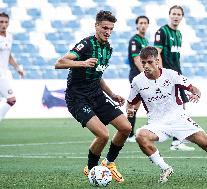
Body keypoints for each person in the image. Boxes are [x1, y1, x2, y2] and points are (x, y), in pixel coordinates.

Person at [126, 46, 207, 183]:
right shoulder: (137, 81)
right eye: (143, 62)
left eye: (150, 62)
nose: (146, 66)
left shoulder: (171, 75)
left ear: (157, 61)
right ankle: (165, 168)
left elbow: (193, 88)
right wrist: (130, 110)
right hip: (157, 124)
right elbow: (131, 102)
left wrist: (196, 94)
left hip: (179, 119)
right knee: (141, 135)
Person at [54, 10, 131, 183]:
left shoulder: (108, 49)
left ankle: (109, 163)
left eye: (111, 29)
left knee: (126, 127)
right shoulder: (86, 45)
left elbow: (98, 75)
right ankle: (91, 170)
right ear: (96, 26)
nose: (108, 32)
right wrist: (83, 62)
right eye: (105, 27)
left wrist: (112, 94)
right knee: (103, 135)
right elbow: (59, 63)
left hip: (96, 94)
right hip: (77, 97)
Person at [154, 5, 194, 151]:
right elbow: (157, 53)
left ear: (182, 17)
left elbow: (176, 56)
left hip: (177, 73)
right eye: (174, 14)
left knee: (181, 104)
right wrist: (162, 71)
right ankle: (176, 141)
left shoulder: (179, 34)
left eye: (178, 14)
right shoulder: (162, 31)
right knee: (176, 105)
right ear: (169, 15)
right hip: (168, 74)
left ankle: (177, 139)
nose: (176, 16)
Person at [0, 12, 24, 142]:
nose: (3, 24)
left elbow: (9, 56)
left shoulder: (9, 37)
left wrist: (17, 68)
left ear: (9, 23)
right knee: (11, 100)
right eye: (1, 22)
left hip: (2, 74)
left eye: (6, 22)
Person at [127, 15, 149, 143]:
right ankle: (129, 134)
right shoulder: (134, 40)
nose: (143, 25)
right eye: (141, 23)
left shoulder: (145, 41)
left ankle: (130, 133)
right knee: (134, 104)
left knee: (138, 104)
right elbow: (136, 60)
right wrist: (146, 74)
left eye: (145, 23)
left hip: (142, 76)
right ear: (137, 25)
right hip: (137, 75)